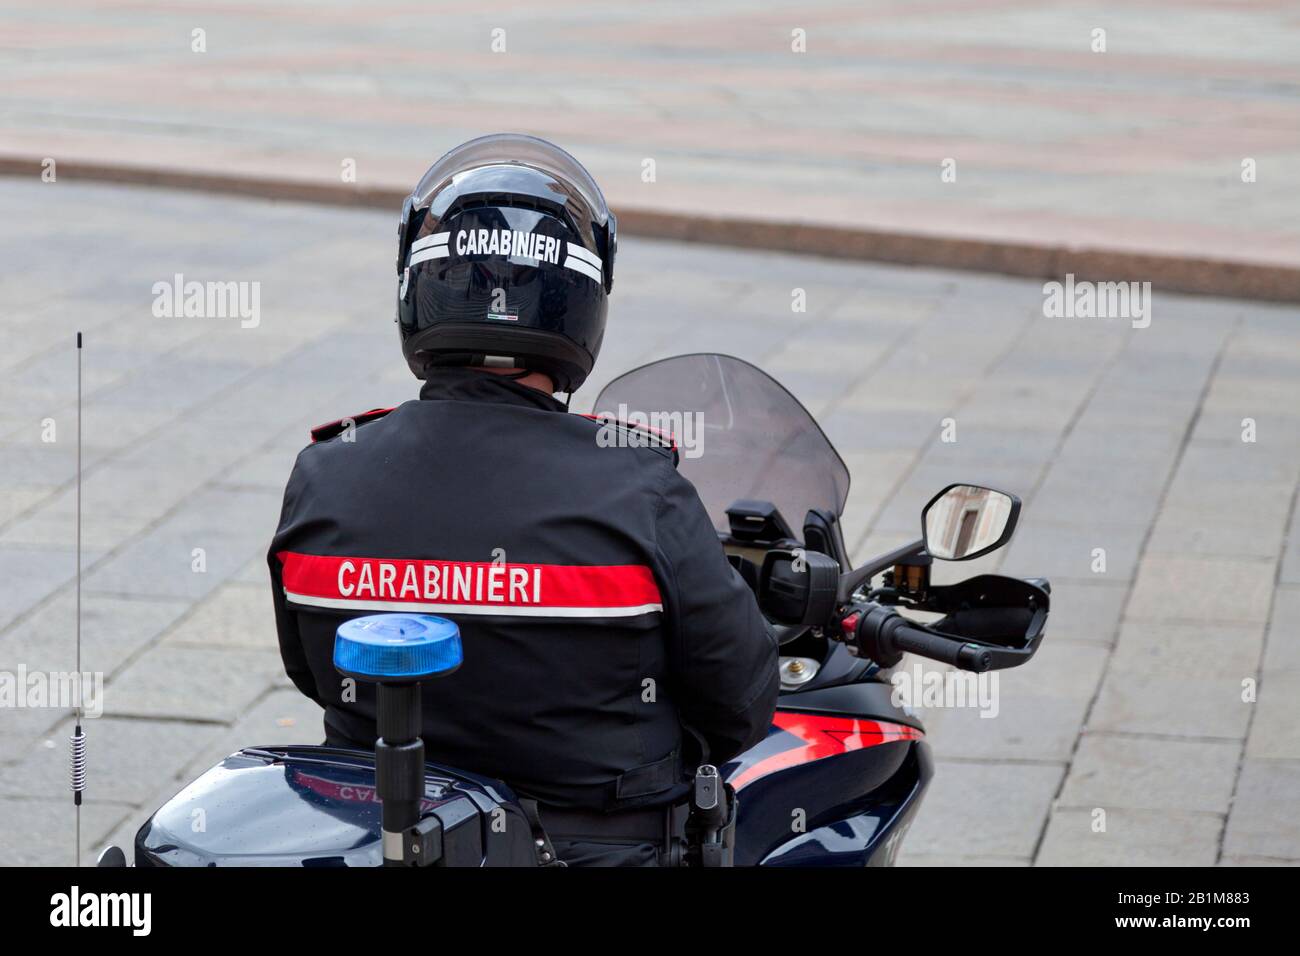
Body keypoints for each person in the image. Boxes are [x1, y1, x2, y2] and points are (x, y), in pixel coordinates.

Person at [267, 133, 778, 866]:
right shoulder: (638, 485)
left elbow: (314, 676)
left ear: (419, 294)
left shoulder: (327, 471)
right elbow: (740, 703)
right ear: (580, 304)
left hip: (383, 839)